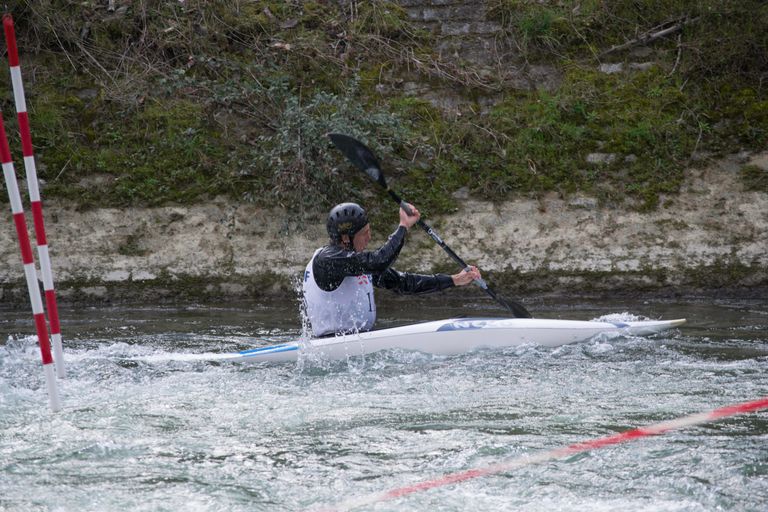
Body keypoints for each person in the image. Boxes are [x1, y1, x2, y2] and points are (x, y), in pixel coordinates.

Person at [302, 202, 482, 337]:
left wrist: (454, 280)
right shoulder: (327, 260)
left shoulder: (355, 263)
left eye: (369, 231)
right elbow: (379, 261)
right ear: (345, 238)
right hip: (330, 345)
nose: (369, 237)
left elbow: (403, 283)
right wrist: (403, 227)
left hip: (358, 344)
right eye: (364, 233)